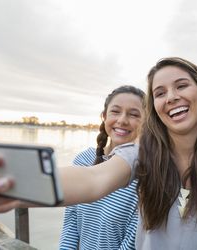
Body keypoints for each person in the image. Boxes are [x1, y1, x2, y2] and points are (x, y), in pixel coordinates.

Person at [0, 57, 197, 250]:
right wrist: (15, 184)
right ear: (155, 109)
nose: (172, 97)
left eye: (181, 86)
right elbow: (92, 180)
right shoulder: (142, 153)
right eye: (160, 92)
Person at [59, 85, 145, 250]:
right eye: (115, 111)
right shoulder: (83, 160)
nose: (122, 120)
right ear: (104, 116)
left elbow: (132, 243)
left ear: (146, 122)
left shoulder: (147, 173)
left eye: (134, 114)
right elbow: (70, 225)